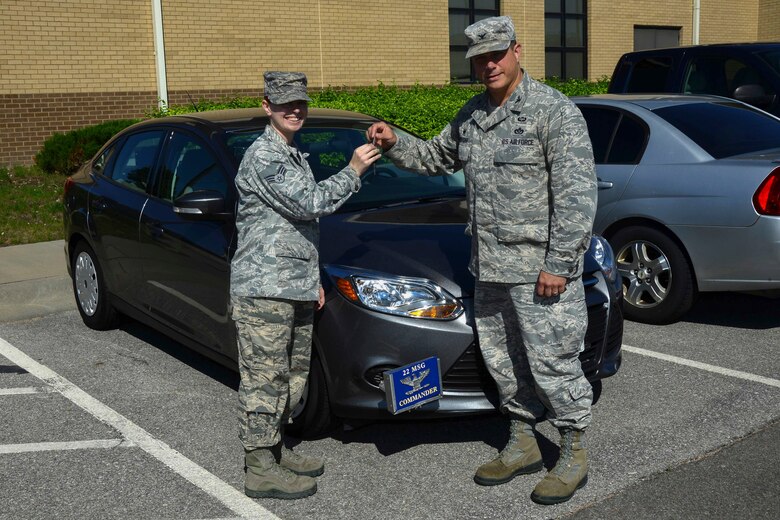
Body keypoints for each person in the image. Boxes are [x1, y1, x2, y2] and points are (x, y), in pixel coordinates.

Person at [367, 16, 597, 505]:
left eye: (496, 54)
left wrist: (559, 263)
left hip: (539, 272)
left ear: (517, 50)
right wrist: (393, 144)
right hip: (489, 268)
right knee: (504, 362)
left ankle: (573, 449)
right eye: (479, 59)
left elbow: (577, 197)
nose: (488, 65)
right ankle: (522, 442)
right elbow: (433, 158)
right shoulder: (471, 115)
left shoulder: (552, 111)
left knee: (553, 360)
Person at [230, 71, 381, 500]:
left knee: (293, 376)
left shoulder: (293, 153)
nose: (294, 110)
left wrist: (310, 278)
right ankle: (259, 467)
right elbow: (311, 204)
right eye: (284, 104)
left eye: (300, 103)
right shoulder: (265, 156)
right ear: (267, 106)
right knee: (264, 377)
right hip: (264, 289)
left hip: (290, 284)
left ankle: (275, 448)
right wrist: (353, 169)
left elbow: (293, 229)